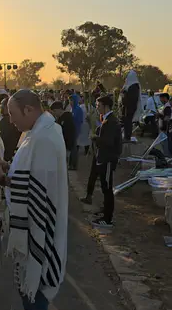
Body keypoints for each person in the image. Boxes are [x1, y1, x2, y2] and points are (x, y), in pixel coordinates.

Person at [0, 90, 68, 310]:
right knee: (28, 289)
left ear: (29, 110)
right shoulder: (35, 133)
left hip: (39, 229)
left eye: (13, 114)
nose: (11, 120)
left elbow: (38, 192)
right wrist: (8, 168)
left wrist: (3, 179)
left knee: (35, 290)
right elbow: (27, 174)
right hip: (31, 227)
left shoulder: (44, 138)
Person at [84, 95, 122, 229]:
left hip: (108, 159)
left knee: (107, 189)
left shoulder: (110, 122)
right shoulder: (106, 120)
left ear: (106, 106)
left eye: (98, 105)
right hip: (104, 158)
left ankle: (107, 219)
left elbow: (109, 142)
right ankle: (105, 211)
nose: (97, 107)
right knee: (105, 188)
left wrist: (95, 138)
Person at [50, 101, 76, 171]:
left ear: (59, 109)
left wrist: (68, 146)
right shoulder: (60, 118)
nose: (54, 113)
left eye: (55, 111)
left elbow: (69, 133)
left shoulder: (67, 118)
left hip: (66, 146)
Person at [121, 70, 141, 140]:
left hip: (130, 107)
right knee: (127, 122)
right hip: (128, 107)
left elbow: (131, 99)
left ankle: (127, 136)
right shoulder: (132, 85)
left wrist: (124, 94)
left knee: (128, 122)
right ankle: (126, 135)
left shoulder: (134, 86)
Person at [68, 94, 84, 169]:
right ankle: (71, 164)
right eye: (69, 101)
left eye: (71, 100)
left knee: (74, 149)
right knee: (72, 148)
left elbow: (79, 121)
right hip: (71, 130)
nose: (70, 102)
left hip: (75, 130)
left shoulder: (78, 109)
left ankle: (74, 165)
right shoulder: (72, 109)